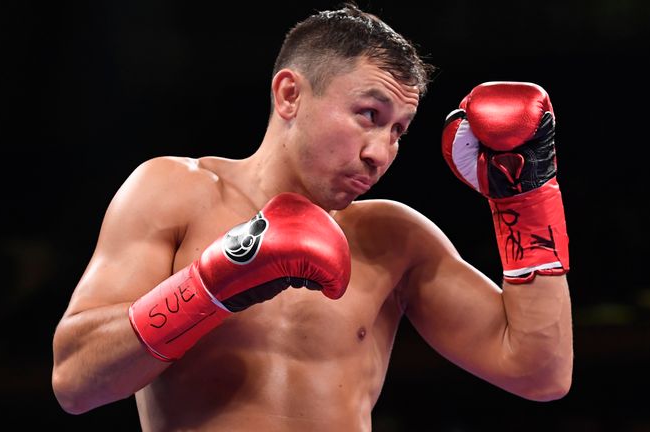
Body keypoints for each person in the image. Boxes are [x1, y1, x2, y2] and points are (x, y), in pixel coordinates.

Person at [51, 2, 573, 430]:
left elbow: (540, 373)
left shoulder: (394, 237)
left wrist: (525, 199)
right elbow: (76, 382)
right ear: (290, 94)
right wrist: (213, 283)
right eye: (369, 115)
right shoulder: (173, 192)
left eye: (398, 131)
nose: (380, 152)